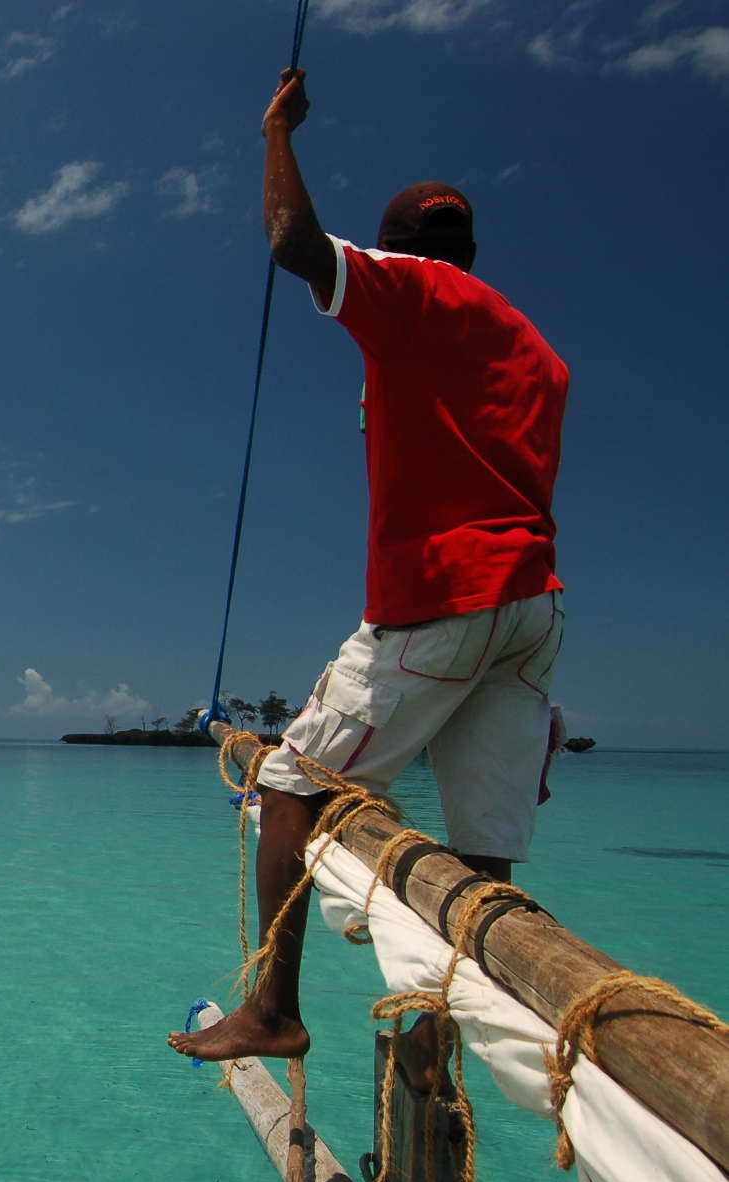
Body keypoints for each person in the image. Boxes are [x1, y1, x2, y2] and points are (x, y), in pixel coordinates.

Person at [168, 68, 567, 1064]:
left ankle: (274, 1010)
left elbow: (294, 246)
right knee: (483, 852)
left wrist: (275, 133)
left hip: (445, 595)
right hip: (532, 608)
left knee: (289, 790)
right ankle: (438, 1031)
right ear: (474, 248)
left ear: (401, 253)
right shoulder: (535, 351)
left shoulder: (417, 294)